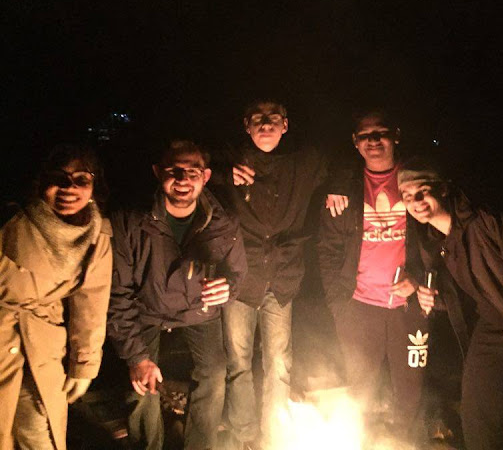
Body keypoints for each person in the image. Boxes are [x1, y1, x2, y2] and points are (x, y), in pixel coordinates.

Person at [397, 158, 503, 450]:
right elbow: (461, 295)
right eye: (407, 196)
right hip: (492, 324)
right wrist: (431, 298)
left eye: (422, 191)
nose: (415, 202)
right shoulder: (436, 240)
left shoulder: (486, 220)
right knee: (478, 411)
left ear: (443, 189)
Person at [108, 139, 247, 450]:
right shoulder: (132, 222)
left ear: (205, 177)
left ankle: (200, 445)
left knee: (214, 373)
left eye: (193, 172)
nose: (183, 179)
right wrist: (137, 357)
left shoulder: (223, 222)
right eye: (174, 171)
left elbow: (237, 272)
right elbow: (118, 293)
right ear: (158, 172)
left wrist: (229, 287)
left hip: (198, 309)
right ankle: (147, 444)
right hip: (147, 308)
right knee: (141, 382)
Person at [214, 99, 331, 450]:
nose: (266, 124)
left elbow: (341, 159)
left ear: (285, 125)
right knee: (238, 362)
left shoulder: (302, 163)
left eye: (273, 118)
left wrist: (339, 187)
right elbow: (194, 164)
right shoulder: (232, 162)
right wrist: (224, 172)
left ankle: (274, 435)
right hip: (240, 279)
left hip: (282, 278)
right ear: (246, 126)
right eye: (258, 119)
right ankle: (243, 434)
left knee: (280, 363)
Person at [317, 109, 427, 444]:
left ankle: (409, 445)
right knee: (359, 393)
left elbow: (438, 240)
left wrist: (418, 280)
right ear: (355, 142)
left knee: (410, 394)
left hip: (408, 309)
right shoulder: (345, 189)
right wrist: (339, 304)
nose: (374, 140)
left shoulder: (417, 182)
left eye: (381, 132)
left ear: (396, 135)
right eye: (365, 135)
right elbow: (328, 249)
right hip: (358, 307)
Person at [0, 144, 112, 449]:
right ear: (40, 182)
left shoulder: (97, 235)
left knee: (39, 433)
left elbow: (92, 303)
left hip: (43, 347)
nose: (69, 188)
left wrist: (84, 365)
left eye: (81, 179)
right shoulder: (12, 221)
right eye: (58, 178)